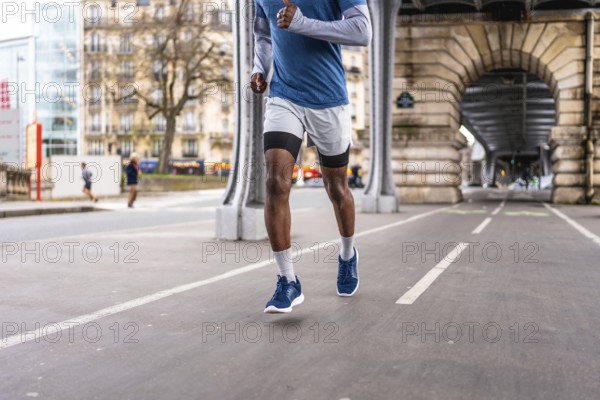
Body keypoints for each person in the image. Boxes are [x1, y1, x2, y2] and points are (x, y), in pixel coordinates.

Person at [251, 0, 372, 313]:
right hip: (284, 96)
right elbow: (264, 36)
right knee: (275, 183)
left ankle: (347, 254)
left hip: (329, 99)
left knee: (337, 189)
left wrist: (302, 22)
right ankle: (287, 280)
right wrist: (259, 68)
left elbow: (362, 31)